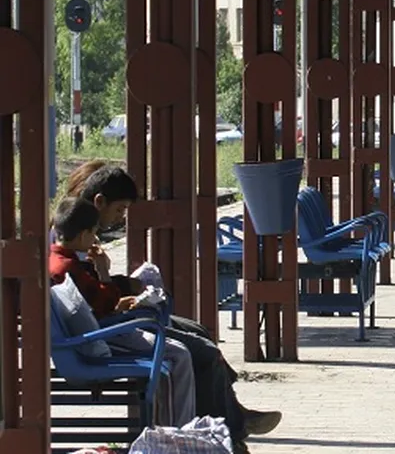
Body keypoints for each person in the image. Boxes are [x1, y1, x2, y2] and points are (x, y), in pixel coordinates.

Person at [67, 164, 282, 452]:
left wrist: (123, 286)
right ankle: (228, 430)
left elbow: (94, 289)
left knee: (198, 331)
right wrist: (119, 287)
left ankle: (229, 418)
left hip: (112, 321)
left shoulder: (80, 233)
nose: (121, 218)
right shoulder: (75, 240)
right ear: (99, 202)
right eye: (119, 210)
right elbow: (96, 297)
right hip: (107, 330)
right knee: (201, 352)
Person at [50, 198, 197, 428]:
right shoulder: (69, 268)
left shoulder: (54, 261)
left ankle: (170, 427)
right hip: (97, 339)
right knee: (179, 355)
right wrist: (103, 271)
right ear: (83, 235)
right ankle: (177, 432)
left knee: (175, 349)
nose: (95, 239)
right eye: (93, 233)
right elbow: (106, 303)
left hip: (85, 336)